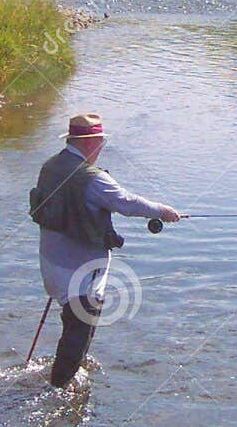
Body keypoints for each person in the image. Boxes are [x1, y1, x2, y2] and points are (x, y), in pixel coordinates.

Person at [29, 113, 182, 387]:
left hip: (50, 265)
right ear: (92, 142)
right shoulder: (92, 179)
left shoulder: (50, 166)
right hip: (78, 275)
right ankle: (58, 389)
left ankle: (68, 373)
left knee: (74, 325)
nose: (101, 149)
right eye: (100, 143)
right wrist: (164, 211)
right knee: (79, 330)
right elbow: (127, 203)